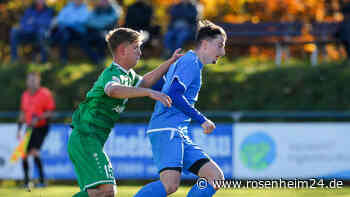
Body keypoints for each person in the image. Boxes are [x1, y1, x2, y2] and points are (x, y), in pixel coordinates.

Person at [67, 27, 182, 197]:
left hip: (90, 140)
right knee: (106, 192)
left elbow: (145, 81)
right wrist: (149, 93)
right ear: (122, 50)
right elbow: (112, 90)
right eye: (136, 48)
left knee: (98, 193)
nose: (140, 53)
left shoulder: (128, 75)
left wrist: (169, 62)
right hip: (85, 137)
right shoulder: (113, 74)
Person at [134, 20, 226, 197]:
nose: (222, 52)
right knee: (170, 185)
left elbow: (163, 88)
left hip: (177, 130)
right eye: (220, 45)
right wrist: (202, 120)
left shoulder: (190, 62)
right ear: (205, 44)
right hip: (167, 129)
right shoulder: (190, 62)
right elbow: (175, 95)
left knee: (214, 177)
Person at [17, 72, 56, 188]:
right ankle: (26, 182)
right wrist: (19, 128)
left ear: (39, 81)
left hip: (41, 127)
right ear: (27, 81)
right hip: (29, 128)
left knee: (34, 152)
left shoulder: (45, 93)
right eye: (30, 80)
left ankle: (42, 181)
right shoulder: (25, 95)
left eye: (34, 80)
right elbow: (23, 113)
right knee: (23, 154)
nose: (32, 82)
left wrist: (38, 118)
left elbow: (50, 112)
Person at [53, 0, 99, 65]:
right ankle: (63, 59)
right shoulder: (67, 8)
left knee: (83, 41)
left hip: (79, 32)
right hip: (67, 30)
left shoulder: (85, 9)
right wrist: (71, 23)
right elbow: (60, 20)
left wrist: (71, 23)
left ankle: (95, 59)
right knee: (64, 36)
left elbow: (83, 21)